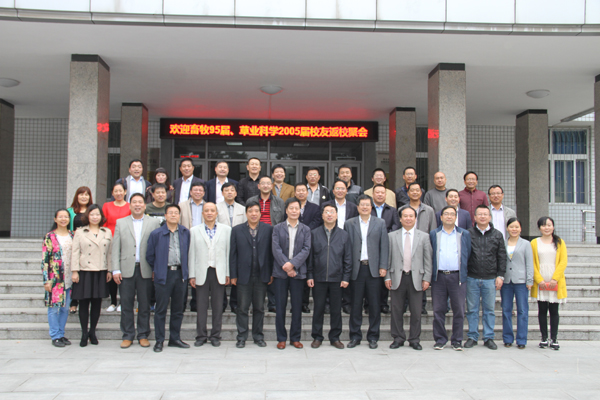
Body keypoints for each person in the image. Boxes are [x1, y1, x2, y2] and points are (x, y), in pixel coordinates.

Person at [111, 193, 161, 349]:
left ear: (145, 206)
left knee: (144, 304)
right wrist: (115, 269)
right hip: (126, 269)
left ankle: (143, 334)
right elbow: (115, 248)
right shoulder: (121, 222)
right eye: (134, 202)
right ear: (130, 205)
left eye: (140, 202)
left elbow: (158, 247)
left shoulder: (153, 223)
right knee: (126, 304)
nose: (137, 205)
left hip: (146, 268)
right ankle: (127, 335)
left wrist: (156, 269)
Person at [344, 195, 389, 349]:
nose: (364, 207)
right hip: (356, 269)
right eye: (362, 205)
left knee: (374, 305)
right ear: (357, 207)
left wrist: (383, 266)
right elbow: (346, 248)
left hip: (373, 269)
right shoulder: (349, 223)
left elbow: (384, 246)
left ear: (371, 207)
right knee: (355, 305)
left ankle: (373, 337)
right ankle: (355, 336)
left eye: (367, 205)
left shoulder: (380, 223)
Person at [386, 206, 432, 351]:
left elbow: (428, 260)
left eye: (411, 216)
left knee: (416, 311)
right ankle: (398, 338)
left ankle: (414, 339)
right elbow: (387, 258)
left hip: (416, 277)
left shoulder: (423, 236)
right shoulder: (391, 236)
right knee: (396, 310)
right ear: (400, 219)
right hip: (397, 277)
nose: (408, 218)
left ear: (415, 218)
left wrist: (427, 278)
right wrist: (387, 276)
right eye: (405, 216)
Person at [146, 204, 191, 352]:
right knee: (161, 310)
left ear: (179, 216)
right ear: (165, 216)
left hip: (180, 275)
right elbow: (150, 255)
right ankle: (159, 340)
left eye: (176, 213)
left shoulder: (185, 232)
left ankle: (174, 338)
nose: (173, 215)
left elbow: (188, 252)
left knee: (178, 309)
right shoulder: (156, 234)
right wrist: (158, 268)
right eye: (170, 213)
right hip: (164, 275)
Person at [230, 201, 274, 348]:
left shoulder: (269, 229)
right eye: (250, 211)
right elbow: (233, 254)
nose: (253, 214)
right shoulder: (237, 230)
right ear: (246, 213)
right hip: (243, 275)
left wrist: (271, 273)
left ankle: (258, 336)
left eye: (256, 211)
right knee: (242, 308)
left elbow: (271, 253)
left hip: (261, 275)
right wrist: (233, 274)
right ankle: (241, 337)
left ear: (260, 213)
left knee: (259, 308)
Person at [307, 204, 352, 349]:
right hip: (318, 278)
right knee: (318, 309)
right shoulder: (314, 233)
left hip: (337, 279)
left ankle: (335, 337)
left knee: (336, 310)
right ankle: (317, 337)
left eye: (332, 212)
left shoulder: (344, 235)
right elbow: (310, 257)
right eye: (326, 212)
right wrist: (310, 275)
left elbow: (348, 258)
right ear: (322, 215)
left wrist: (346, 277)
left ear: (337, 215)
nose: (329, 214)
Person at [189, 202, 231, 348]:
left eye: (212, 210)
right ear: (202, 213)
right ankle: (201, 335)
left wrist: (228, 273)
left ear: (216, 213)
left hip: (219, 271)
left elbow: (228, 253)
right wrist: (192, 275)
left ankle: (215, 335)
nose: (209, 213)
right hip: (201, 271)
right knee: (201, 306)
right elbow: (191, 254)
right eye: (206, 210)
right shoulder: (194, 230)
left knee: (218, 306)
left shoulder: (226, 230)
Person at [430, 205, 472, 351]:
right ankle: (440, 339)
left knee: (459, 310)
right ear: (441, 217)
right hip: (439, 276)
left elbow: (468, 253)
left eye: (452, 214)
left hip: (457, 276)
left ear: (456, 217)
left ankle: (457, 340)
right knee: (438, 310)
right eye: (446, 214)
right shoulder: (434, 234)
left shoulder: (464, 234)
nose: (449, 216)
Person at [464, 205, 506, 350]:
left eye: (485, 214)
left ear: (490, 217)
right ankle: (472, 336)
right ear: (475, 217)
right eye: (479, 214)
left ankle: (488, 337)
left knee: (489, 310)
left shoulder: (497, 235)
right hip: (472, 277)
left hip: (490, 278)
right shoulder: (468, 234)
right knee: (472, 309)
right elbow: (464, 255)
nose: (482, 217)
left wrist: (500, 275)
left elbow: (501, 256)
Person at [272, 198, 311, 349]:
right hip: (280, 273)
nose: (294, 211)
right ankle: (281, 338)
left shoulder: (306, 229)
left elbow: (306, 249)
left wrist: (293, 264)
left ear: (300, 211)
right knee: (280, 306)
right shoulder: (277, 228)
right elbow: (276, 249)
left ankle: (295, 338)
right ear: (286, 210)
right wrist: (287, 266)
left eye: (297, 208)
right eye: (291, 208)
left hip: (298, 273)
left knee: (297, 306)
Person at [70, 204, 112, 347]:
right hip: (84, 270)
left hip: (101, 270)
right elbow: (75, 252)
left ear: (101, 217)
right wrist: (74, 271)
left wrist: (109, 270)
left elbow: (110, 253)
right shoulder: (80, 232)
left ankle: (92, 332)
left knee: (96, 303)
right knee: (83, 303)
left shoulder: (106, 232)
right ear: (87, 216)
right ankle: (84, 333)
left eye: (97, 214)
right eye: (92, 214)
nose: (95, 217)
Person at [530, 216, 568, 351]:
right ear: (539, 228)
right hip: (541, 282)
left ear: (553, 227)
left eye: (549, 225)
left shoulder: (559, 242)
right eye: (543, 225)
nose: (546, 228)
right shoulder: (534, 243)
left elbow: (563, 261)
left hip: (554, 281)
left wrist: (555, 279)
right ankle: (544, 338)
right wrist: (539, 280)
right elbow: (532, 263)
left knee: (554, 311)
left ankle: (554, 338)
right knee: (542, 310)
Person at [42, 208, 74, 347]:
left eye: (66, 217)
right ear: (55, 219)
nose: (63, 219)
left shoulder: (72, 235)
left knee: (65, 308)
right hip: (55, 278)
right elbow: (45, 260)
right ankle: (55, 335)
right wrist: (46, 280)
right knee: (54, 308)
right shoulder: (50, 237)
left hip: (69, 277)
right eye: (60, 217)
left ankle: (61, 334)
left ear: (69, 219)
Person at [501, 218, 533, 349]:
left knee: (522, 310)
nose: (514, 229)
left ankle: (521, 339)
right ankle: (507, 338)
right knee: (506, 310)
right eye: (511, 227)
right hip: (506, 281)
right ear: (507, 228)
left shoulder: (526, 244)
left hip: (521, 281)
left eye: (516, 227)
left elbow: (529, 263)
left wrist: (529, 280)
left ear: (520, 229)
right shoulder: (502, 243)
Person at [216, 181, 246, 314]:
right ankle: (222, 303)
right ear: (222, 193)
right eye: (226, 190)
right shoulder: (216, 208)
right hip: (221, 244)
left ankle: (234, 303)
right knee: (221, 273)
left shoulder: (242, 209)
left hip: (238, 245)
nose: (229, 192)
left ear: (236, 193)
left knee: (235, 273)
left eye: (232, 190)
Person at [370, 183, 400, 315]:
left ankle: (383, 304)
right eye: (377, 192)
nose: (380, 194)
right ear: (373, 194)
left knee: (384, 275)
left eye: (382, 192)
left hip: (386, 246)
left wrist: (384, 236)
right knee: (370, 277)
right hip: (370, 246)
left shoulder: (392, 210)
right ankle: (369, 304)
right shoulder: (368, 208)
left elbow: (395, 226)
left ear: (386, 195)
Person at [293, 182, 323, 314]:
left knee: (305, 274)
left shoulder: (315, 208)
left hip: (309, 243)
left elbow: (316, 222)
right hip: (293, 244)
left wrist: (303, 232)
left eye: (303, 190)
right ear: (295, 193)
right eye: (298, 190)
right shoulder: (290, 206)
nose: (301, 193)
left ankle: (304, 304)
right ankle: (294, 304)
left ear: (307, 192)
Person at [102, 182, 131, 312]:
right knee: (112, 269)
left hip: (126, 241)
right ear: (112, 193)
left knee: (124, 271)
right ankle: (113, 302)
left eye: (121, 191)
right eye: (116, 191)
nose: (118, 193)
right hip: (111, 240)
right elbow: (104, 223)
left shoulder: (130, 206)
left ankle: (122, 302)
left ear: (125, 192)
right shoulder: (107, 206)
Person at [66, 186, 93, 314]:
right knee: (75, 272)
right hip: (73, 246)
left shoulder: (92, 211)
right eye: (81, 194)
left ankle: (85, 299)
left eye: (86, 194)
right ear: (76, 196)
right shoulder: (70, 211)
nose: (84, 197)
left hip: (89, 247)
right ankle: (73, 301)